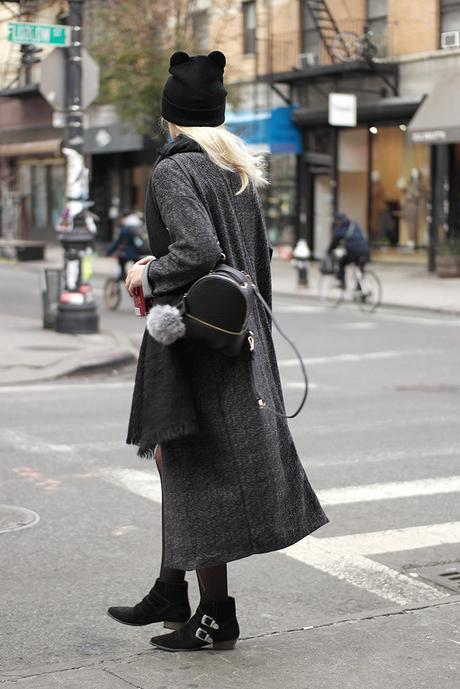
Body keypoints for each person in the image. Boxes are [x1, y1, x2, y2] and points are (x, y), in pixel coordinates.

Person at [107, 50, 329, 653]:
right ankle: (173, 589)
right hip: (234, 341)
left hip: (195, 346)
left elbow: (199, 251)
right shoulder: (231, 169)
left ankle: (210, 613)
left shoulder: (175, 170)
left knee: (191, 469)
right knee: (187, 468)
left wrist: (147, 274)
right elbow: (251, 264)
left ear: (170, 115)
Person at [327, 212, 370, 289]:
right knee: (360, 268)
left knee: (342, 261)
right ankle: (360, 288)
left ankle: (342, 282)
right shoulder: (354, 225)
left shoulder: (341, 228)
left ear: (338, 221)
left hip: (354, 251)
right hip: (366, 250)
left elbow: (334, 242)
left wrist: (329, 251)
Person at [106, 211, 143, 280]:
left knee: (121, 262)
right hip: (139, 253)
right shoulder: (139, 227)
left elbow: (117, 242)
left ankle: (123, 276)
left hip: (127, 254)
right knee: (137, 267)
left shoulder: (126, 229)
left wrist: (109, 251)